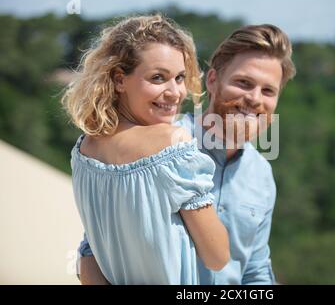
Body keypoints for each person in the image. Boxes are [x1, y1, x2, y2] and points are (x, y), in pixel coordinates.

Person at [78, 23, 296, 284]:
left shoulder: (262, 175)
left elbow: (255, 271)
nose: (255, 99)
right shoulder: (157, 147)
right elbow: (94, 249)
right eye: (243, 83)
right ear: (213, 80)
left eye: (268, 90)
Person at [62, 14, 229, 285]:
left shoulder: (84, 151)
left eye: (179, 77)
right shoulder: (172, 142)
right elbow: (217, 256)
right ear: (119, 80)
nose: (175, 92)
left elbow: (89, 255)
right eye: (157, 78)